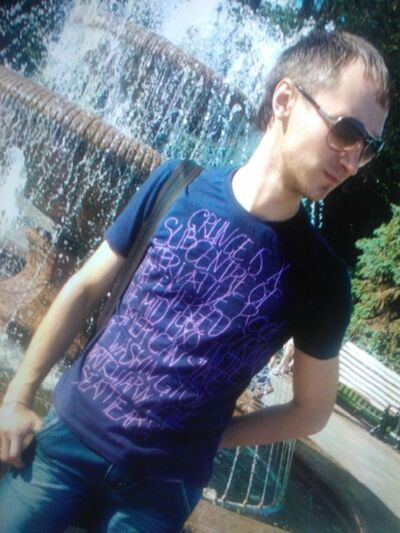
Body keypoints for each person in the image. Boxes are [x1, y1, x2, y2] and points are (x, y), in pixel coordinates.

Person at [0, 30, 390, 532]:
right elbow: (85, 287)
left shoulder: (323, 278)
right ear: (285, 100)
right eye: (346, 131)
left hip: (158, 495)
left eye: (368, 148)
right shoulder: (175, 182)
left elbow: (310, 412)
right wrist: (18, 396)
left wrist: (212, 436)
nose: (352, 161)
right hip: (67, 443)